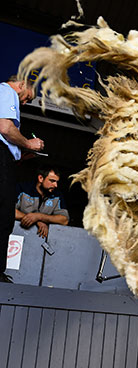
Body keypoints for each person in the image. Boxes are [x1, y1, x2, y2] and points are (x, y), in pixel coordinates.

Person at [0, 76, 44, 282]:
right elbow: (5, 128)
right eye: (27, 97)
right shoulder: (7, 91)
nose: (25, 103)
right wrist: (28, 143)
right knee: (3, 214)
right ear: (21, 85)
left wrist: (21, 153)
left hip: (6, 159)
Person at [15, 165, 69, 239]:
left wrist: (39, 217)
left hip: (41, 238)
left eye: (57, 182)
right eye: (52, 181)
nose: (56, 185)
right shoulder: (23, 188)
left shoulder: (57, 195)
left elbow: (64, 220)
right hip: (17, 234)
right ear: (40, 178)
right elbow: (8, 211)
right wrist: (35, 220)